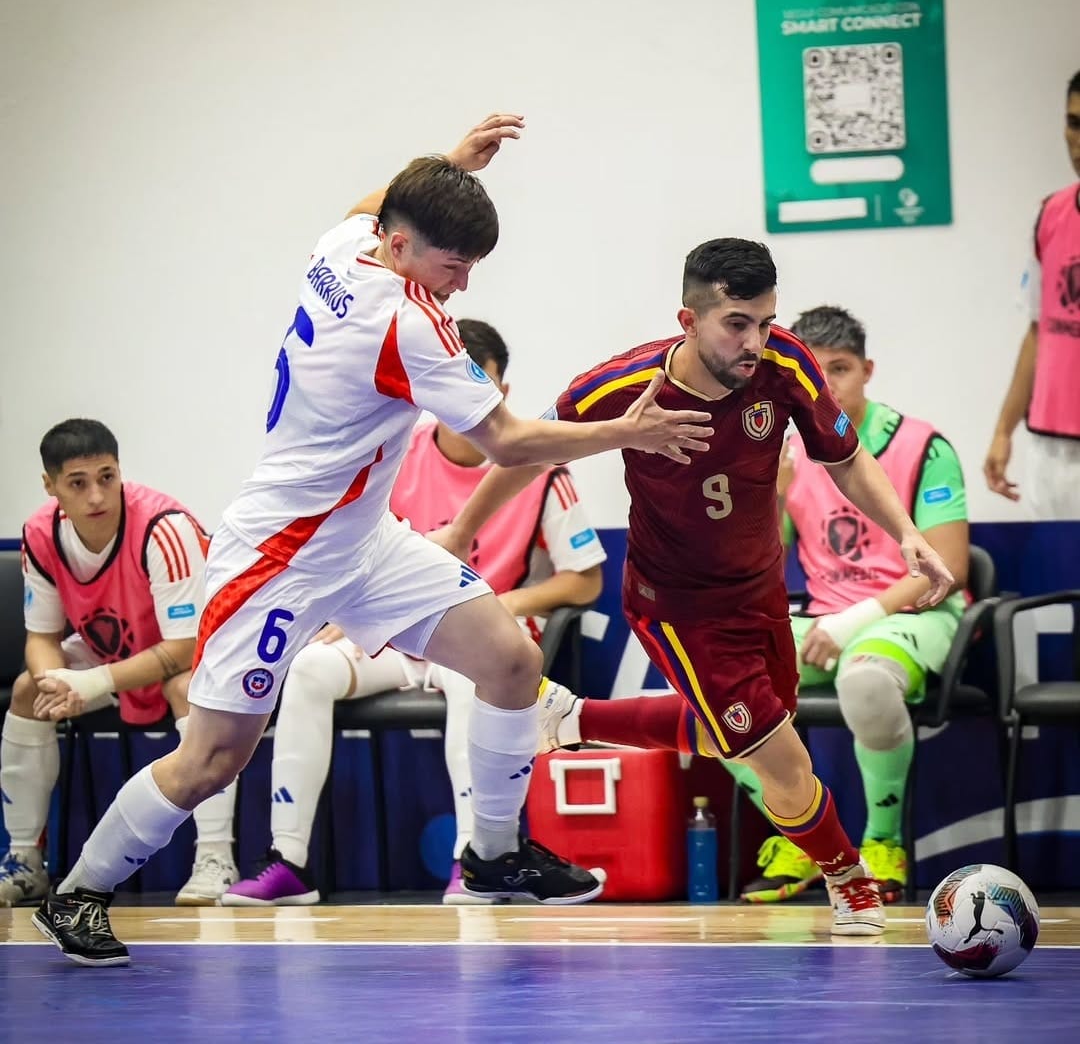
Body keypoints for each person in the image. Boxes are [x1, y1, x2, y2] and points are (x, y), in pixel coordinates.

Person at [34, 113, 712, 966]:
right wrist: (626, 433)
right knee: (212, 759)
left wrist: (452, 166)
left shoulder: (345, 244)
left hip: (362, 541)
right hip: (278, 559)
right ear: (399, 248)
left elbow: (378, 197)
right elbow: (506, 440)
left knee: (509, 660)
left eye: (471, 268)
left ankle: (494, 855)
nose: (461, 286)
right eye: (450, 264)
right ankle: (79, 893)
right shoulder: (407, 325)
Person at [434, 242, 956, 937]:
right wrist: (463, 529)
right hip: (677, 606)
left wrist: (905, 534)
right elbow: (528, 449)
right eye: (737, 324)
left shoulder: (785, 365)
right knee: (781, 755)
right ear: (689, 318)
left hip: (761, 593)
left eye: (766, 322)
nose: (755, 341)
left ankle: (572, 719)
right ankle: (848, 879)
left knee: (739, 740)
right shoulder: (621, 387)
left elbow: (846, 458)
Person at [220, 318, 606, 907]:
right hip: (397, 630)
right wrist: (337, 613)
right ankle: (289, 862)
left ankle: (473, 860)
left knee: (469, 671)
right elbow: (352, 548)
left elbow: (584, 581)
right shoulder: (396, 451)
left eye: (490, 385)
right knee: (306, 671)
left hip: (478, 634)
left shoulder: (540, 465)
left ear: (503, 391)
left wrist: (500, 605)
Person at [2, 419, 238, 908]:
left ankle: (216, 859)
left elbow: (184, 647)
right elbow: (42, 637)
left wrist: (89, 683)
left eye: (106, 477)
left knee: (188, 688)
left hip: (193, 652)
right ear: (51, 486)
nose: (95, 496)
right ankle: (25, 861)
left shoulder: (163, 526)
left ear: (120, 472)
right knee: (28, 689)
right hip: (112, 655)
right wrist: (55, 681)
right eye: (78, 483)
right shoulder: (40, 533)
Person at [984, 70, 1080, 518]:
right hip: (1050, 444)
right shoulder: (1051, 215)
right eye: (1074, 123)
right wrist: (1004, 430)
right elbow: (1039, 332)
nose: (1078, 139)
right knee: (1062, 581)